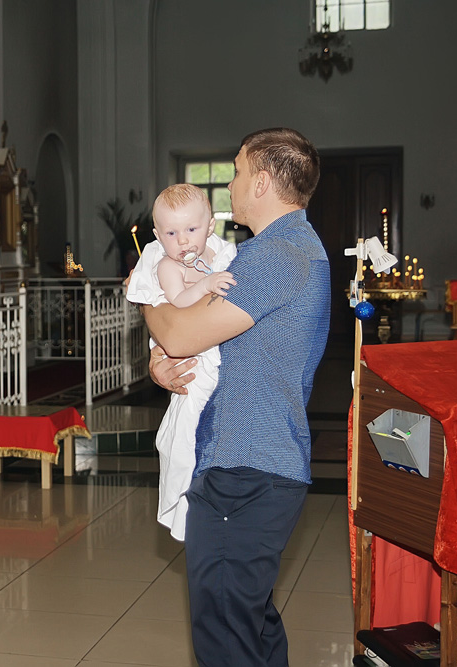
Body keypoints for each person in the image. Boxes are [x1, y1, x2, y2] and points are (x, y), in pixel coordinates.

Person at [141, 127, 329, 667]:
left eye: (238, 172)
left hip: (246, 470)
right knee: (249, 627)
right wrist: (162, 363)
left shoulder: (277, 255)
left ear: (263, 182)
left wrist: (146, 288)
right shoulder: (279, 249)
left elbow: (180, 332)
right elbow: (200, 342)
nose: (230, 184)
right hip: (253, 464)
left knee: (226, 637)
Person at [126, 184, 236, 541]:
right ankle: (183, 502)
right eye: (171, 233)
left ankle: (199, 498)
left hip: (215, 352)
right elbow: (178, 300)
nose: (183, 241)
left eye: (191, 229)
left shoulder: (223, 254)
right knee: (187, 430)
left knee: (204, 427)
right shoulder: (167, 265)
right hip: (190, 355)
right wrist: (205, 285)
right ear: (158, 236)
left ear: (210, 227)